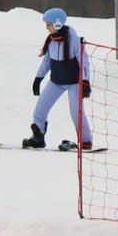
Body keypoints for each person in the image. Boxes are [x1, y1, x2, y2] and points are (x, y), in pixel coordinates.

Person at [24, 8, 94, 150]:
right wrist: (39, 78)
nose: (46, 27)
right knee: (40, 109)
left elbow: (84, 61)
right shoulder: (52, 40)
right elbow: (47, 61)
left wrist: (85, 81)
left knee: (76, 112)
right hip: (56, 82)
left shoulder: (73, 40)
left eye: (48, 24)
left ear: (57, 24)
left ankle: (86, 141)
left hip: (74, 82)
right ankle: (38, 137)